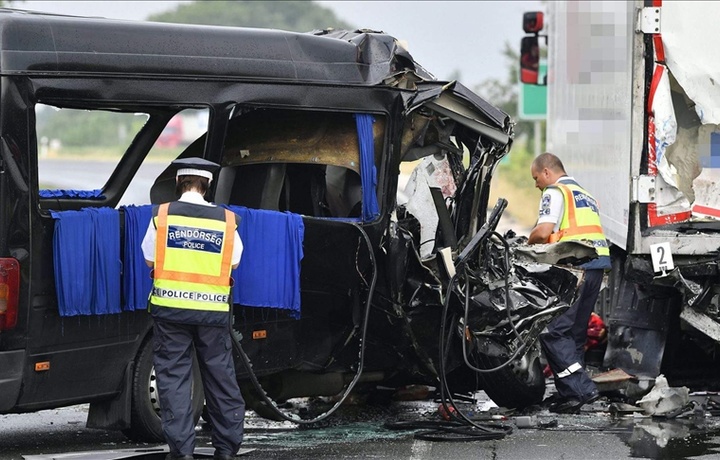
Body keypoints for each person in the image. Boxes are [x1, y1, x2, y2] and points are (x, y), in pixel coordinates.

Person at [141, 157, 245, 460]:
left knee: (173, 380)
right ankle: (226, 449)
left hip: (170, 311)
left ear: (178, 183)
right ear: (208, 186)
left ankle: (182, 451)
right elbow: (234, 262)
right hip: (212, 312)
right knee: (220, 378)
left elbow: (149, 259)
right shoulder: (227, 220)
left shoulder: (162, 216)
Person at [528, 152, 611, 414]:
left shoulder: (555, 191)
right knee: (574, 332)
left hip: (575, 269)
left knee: (553, 332)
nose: (536, 185)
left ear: (546, 172)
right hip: (596, 267)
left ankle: (582, 390)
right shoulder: (583, 193)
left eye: (536, 178)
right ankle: (569, 394)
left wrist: (525, 244)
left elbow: (543, 232)